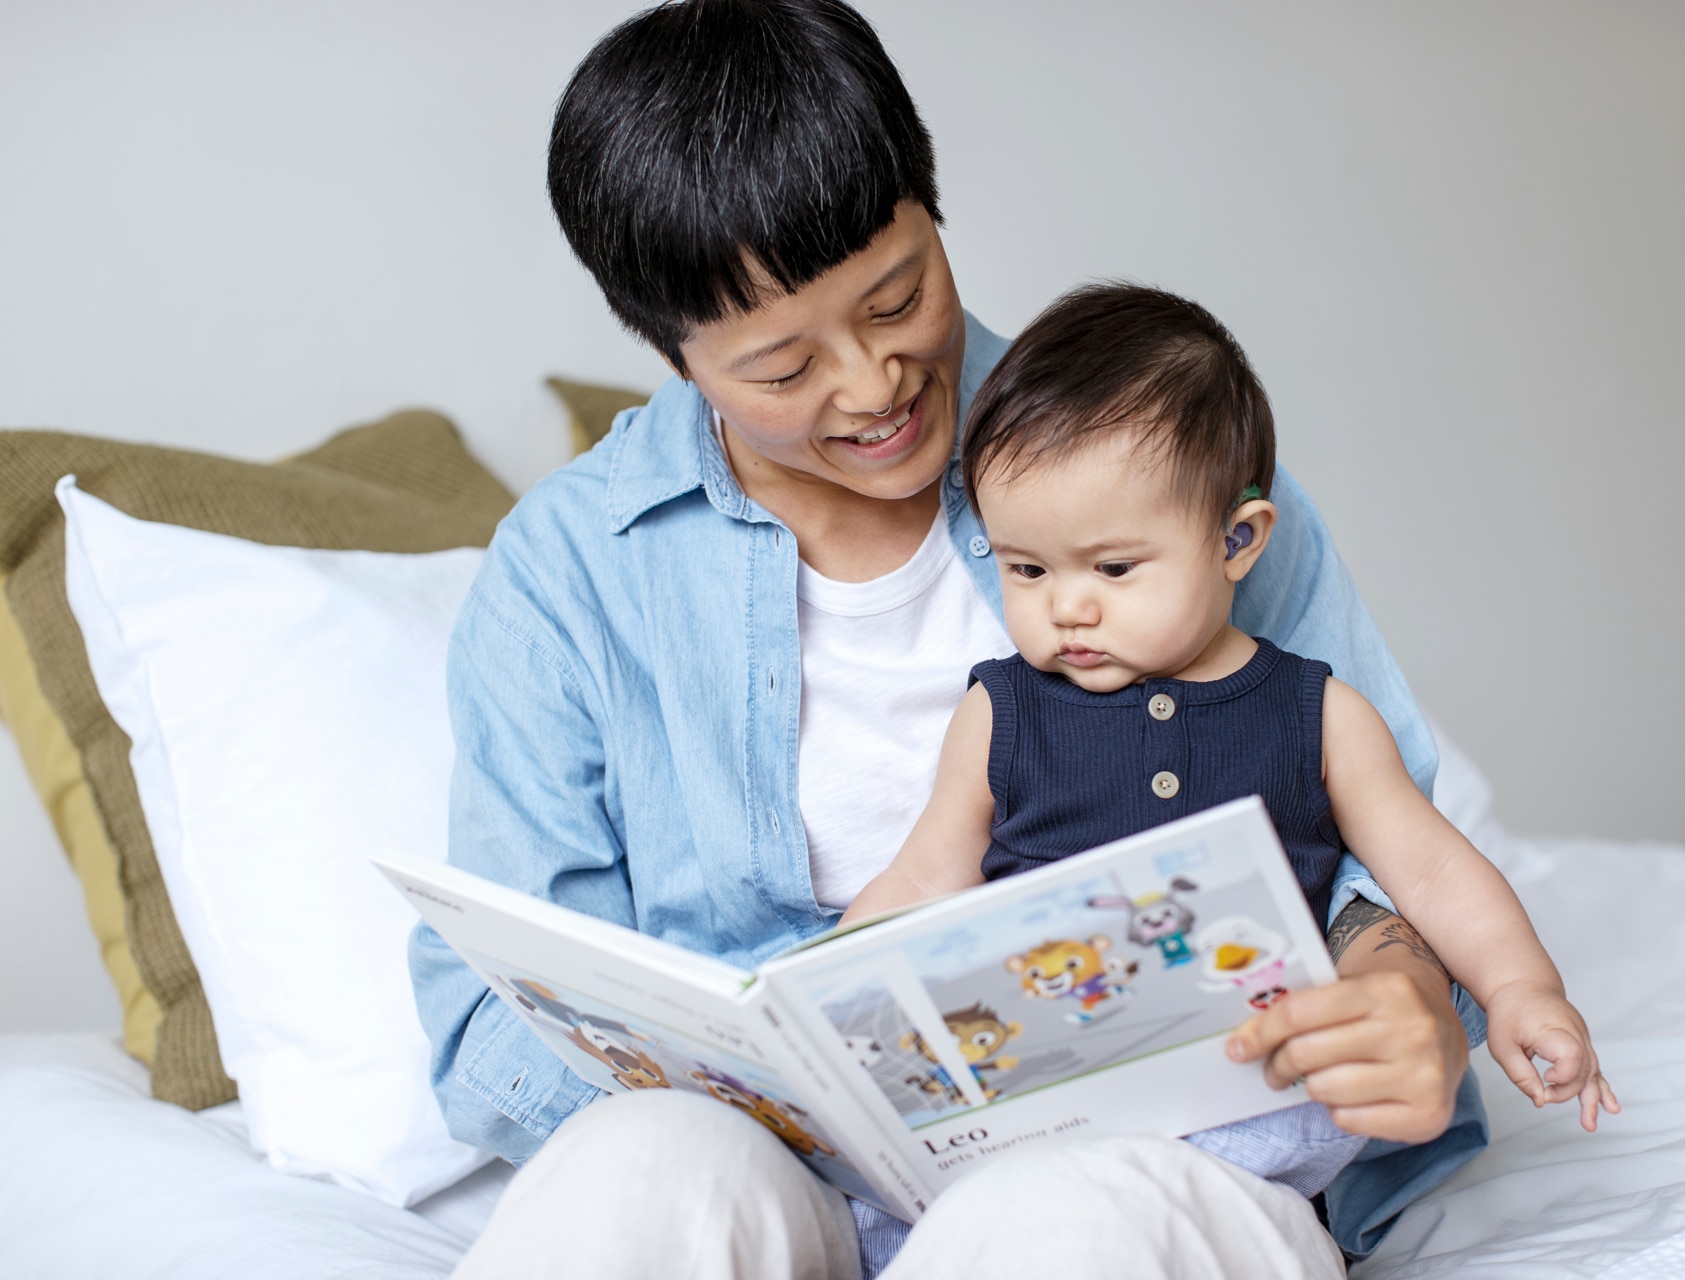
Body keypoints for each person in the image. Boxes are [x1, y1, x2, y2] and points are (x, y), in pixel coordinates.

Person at [409, 2, 1490, 1275]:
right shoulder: (570, 571)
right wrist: (741, 1101)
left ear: (934, 208)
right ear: (674, 353)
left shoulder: (1159, 460)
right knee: (633, 1177)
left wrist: (1412, 989)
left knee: (1048, 1228)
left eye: (898, 296)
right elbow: (495, 1009)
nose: (871, 385)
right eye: (779, 367)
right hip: (783, 1156)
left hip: (1148, 1141)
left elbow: (1380, 837)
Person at [842, 282, 1622, 1151]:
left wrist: (1522, 990)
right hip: (1048, 1090)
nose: (1067, 608)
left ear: (1236, 541)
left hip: (1252, 1083)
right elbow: (918, 883)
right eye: (1026, 570)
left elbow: (1432, 873)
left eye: (1113, 568)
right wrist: (821, 1012)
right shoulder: (1000, 713)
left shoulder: (1317, 713)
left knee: (1292, 1123)